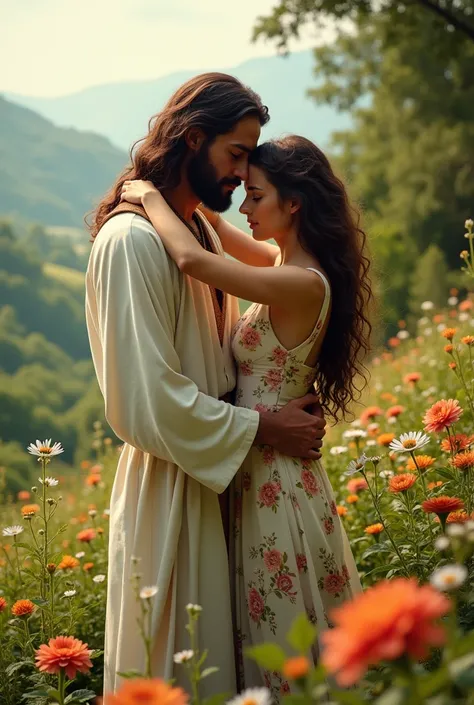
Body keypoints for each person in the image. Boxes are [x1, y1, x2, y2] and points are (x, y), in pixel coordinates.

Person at [85, 73, 327, 696]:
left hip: (226, 474)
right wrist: (264, 425)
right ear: (193, 139)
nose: (242, 175)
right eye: (236, 155)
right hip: (173, 490)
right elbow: (146, 400)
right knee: (184, 669)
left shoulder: (193, 230)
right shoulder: (133, 241)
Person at [120, 134, 372, 698]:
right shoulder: (285, 260)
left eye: (255, 195)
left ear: (293, 204)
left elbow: (194, 259)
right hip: (255, 462)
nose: (244, 205)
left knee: (278, 630)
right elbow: (219, 234)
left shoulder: (299, 283)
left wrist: (146, 196)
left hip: (274, 480)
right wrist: (192, 188)